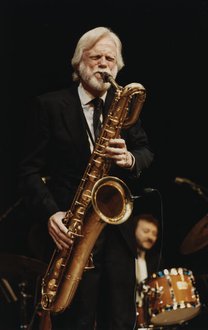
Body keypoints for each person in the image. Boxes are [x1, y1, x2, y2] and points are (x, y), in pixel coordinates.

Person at [18, 26, 154, 330]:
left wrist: (129, 158)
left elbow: (146, 151)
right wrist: (50, 213)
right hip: (72, 229)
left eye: (110, 58)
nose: (104, 64)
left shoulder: (123, 107)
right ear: (80, 62)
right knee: (75, 321)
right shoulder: (49, 105)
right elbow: (28, 172)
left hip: (117, 234)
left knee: (119, 321)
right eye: (96, 57)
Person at [134, 213, 163, 329]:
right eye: (146, 231)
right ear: (133, 230)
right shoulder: (123, 259)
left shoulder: (155, 262)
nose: (150, 237)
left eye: (154, 234)